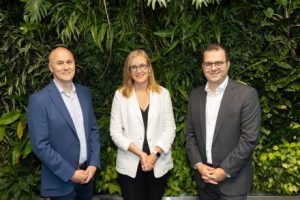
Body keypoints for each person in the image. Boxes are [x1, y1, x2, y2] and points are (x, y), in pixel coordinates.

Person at [185, 44, 261, 200]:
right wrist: (198, 164)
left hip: (233, 181)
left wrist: (224, 170)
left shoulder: (246, 95)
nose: (213, 68)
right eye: (208, 63)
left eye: (218, 63)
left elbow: (249, 139)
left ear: (227, 64)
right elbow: (190, 134)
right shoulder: (195, 95)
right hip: (204, 181)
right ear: (203, 66)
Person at [27, 47, 101, 200]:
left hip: (87, 178)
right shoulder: (39, 100)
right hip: (60, 183)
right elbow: (40, 146)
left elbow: (93, 130)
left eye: (69, 62)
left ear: (75, 64)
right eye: (60, 63)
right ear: (50, 67)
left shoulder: (84, 93)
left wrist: (93, 164)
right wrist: (71, 173)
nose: (66, 67)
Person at [110, 49, 176, 200]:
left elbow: (170, 129)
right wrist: (140, 154)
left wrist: (155, 154)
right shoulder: (120, 96)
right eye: (134, 67)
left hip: (158, 163)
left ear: (149, 67)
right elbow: (115, 132)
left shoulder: (163, 94)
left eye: (142, 66)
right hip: (130, 163)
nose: (139, 70)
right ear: (129, 70)